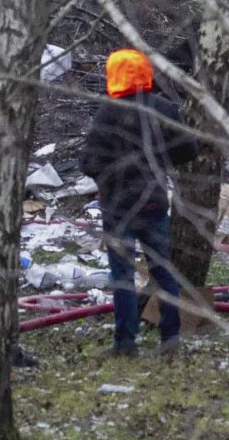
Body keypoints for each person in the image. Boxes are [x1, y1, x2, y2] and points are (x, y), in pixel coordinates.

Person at [77, 48, 200, 356]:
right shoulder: (164, 109)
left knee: (122, 276)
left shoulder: (107, 112)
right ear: (146, 72)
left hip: (118, 206)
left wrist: (108, 177)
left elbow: (88, 162)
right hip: (154, 202)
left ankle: (125, 343)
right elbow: (188, 151)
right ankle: (171, 339)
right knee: (163, 272)